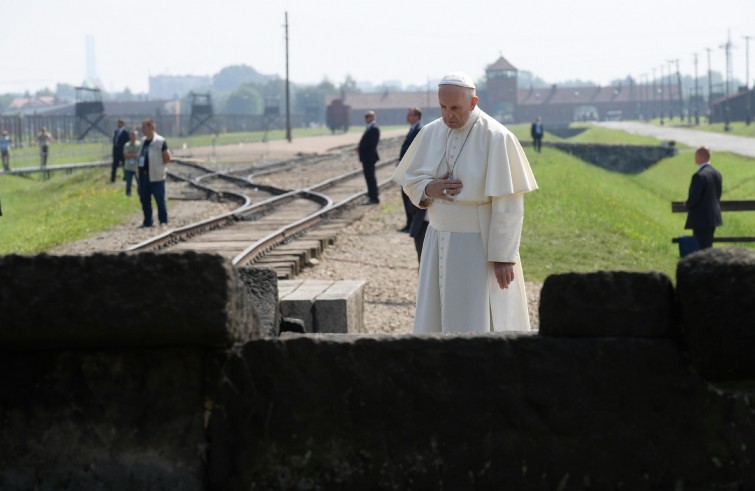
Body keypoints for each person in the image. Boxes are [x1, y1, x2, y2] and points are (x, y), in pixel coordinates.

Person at [393, 71, 538, 333]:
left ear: (473, 103)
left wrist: (503, 257)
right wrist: (429, 187)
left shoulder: (497, 137)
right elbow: (409, 180)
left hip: (478, 244)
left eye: (455, 108)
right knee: (435, 317)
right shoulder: (430, 132)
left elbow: (509, 205)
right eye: (443, 107)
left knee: (479, 316)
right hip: (437, 238)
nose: (448, 115)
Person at [684, 146, 722, 249]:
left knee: (700, 247)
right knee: (708, 246)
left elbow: (694, 198)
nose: (695, 158)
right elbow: (718, 194)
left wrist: (687, 204)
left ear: (700, 157)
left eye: (696, 156)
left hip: (701, 218)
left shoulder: (699, 175)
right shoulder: (717, 173)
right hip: (713, 217)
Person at [137, 119, 171, 227]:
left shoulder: (160, 141)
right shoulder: (142, 141)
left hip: (156, 176)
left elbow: (167, 157)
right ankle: (148, 221)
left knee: (159, 200)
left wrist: (159, 167)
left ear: (151, 127)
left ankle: (163, 220)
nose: (143, 129)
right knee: (144, 200)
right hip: (143, 176)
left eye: (144, 127)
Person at [399, 107, 423, 232]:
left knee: (409, 197)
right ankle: (409, 223)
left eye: (410, 115)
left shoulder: (419, 130)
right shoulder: (413, 129)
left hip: (411, 170)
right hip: (406, 170)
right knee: (405, 195)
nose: (407, 117)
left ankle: (412, 223)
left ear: (417, 117)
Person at [356, 110, 380, 204]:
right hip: (366, 157)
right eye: (366, 116)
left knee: (370, 178)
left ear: (373, 117)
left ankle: (374, 197)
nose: (366, 118)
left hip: (370, 157)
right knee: (368, 177)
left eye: (368, 116)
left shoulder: (374, 129)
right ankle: (372, 195)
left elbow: (371, 144)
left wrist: (360, 148)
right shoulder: (369, 128)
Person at [122, 130, 141, 197]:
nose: (133, 137)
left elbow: (139, 155)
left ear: (137, 136)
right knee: (128, 183)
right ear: (130, 136)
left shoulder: (139, 144)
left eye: (134, 135)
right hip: (128, 167)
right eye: (132, 135)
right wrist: (135, 155)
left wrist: (130, 155)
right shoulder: (126, 145)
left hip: (137, 167)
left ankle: (140, 194)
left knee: (139, 182)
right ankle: (128, 195)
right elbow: (125, 155)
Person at [111, 118, 130, 183]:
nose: (118, 124)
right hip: (116, 152)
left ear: (122, 124)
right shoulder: (116, 132)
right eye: (118, 123)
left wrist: (127, 152)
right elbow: (114, 142)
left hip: (123, 152)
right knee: (114, 166)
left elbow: (128, 143)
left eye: (120, 123)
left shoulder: (126, 133)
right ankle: (112, 179)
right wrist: (113, 153)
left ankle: (126, 178)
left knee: (124, 166)